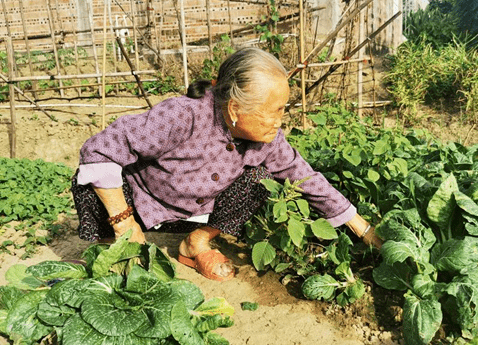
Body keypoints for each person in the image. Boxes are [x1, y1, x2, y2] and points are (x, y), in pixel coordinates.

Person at [71, 47, 382, 282]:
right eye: (273, 110)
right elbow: (100, 149)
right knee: (91, 179)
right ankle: (107, 248)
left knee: (260, 178)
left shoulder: (267, 140)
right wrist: (124, 221)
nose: (279, 121)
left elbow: (307, 178)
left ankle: (195, 243)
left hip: (188, 215)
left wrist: (364, 230)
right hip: (136, 203)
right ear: (235, 108)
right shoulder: (182, 116)